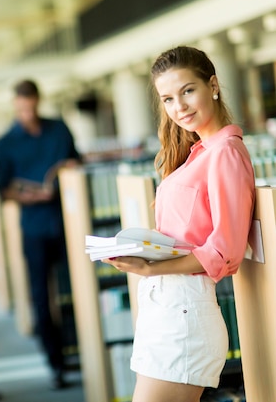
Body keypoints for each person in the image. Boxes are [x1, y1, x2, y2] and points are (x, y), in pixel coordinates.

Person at [102, 46, 255, 402]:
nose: (179, 107)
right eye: (168, 98)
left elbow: (225, 251)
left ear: (213, 85)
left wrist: (153, 268)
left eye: (187, 91)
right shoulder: (198, 153)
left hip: (185, 314)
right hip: (165, 309)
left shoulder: (226, 153)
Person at [0, 79, 81, 389]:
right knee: (42, 296)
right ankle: (55, 363)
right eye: (20, 109)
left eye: (31, 107)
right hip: (34, 229)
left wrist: (65, 171)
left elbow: (75, 161)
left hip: (69, 223)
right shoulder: (4, 144)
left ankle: (82, 350)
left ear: (38, 102)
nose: (26, 114)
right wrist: (27, 196)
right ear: (14, 106)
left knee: (77, 289)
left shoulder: (59, 129)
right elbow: (4, 191)